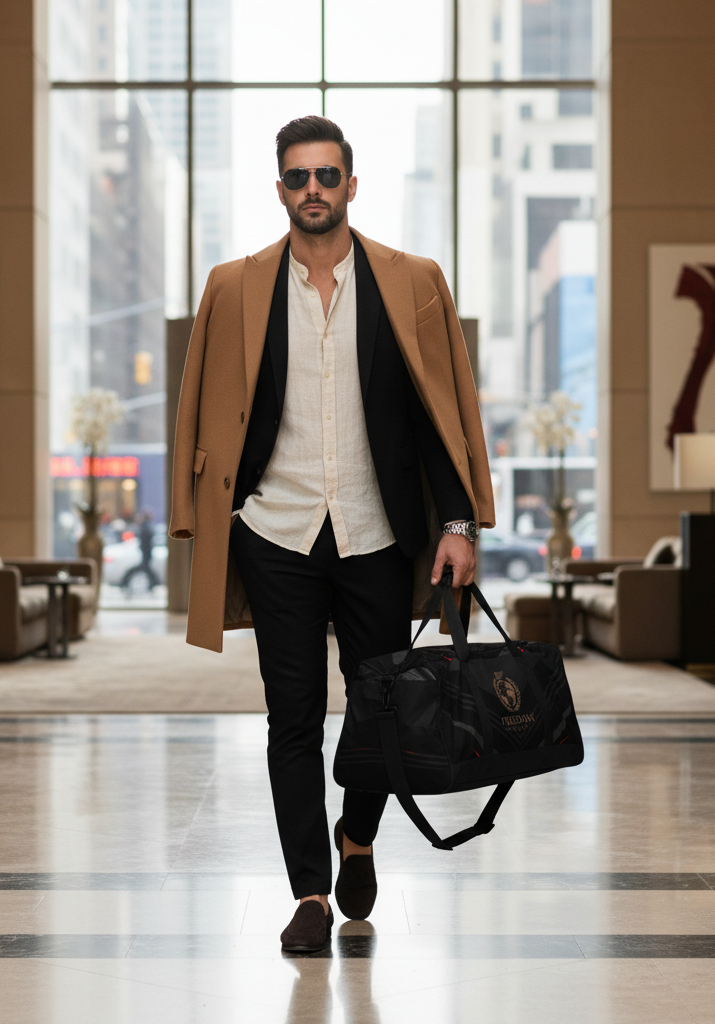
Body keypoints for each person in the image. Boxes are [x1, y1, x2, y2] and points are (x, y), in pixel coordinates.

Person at [170, 115, 494, 952]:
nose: (312, 189)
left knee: (378, 707)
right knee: (293, 721)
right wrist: (201, 511)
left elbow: (445, 415)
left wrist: (457, 522)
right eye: (297, 176)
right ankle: (310, 892)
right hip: (274, 531)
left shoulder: (411, 281)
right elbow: (201, 401)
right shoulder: (234, 285)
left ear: (352, 184)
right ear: (279, 189)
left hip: (377, 532)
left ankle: (358, 835)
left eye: (327, 175)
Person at [122, 511, 161, 593]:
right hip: (146, 554)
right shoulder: (147, 528)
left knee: (144, 569)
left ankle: (153, 583)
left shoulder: (145, 528)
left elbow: (145, 543)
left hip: (146, 554)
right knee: (144, 569)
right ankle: (154, 583)